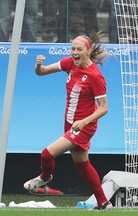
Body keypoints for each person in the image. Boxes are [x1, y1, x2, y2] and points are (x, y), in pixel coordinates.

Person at [23, 32, 112, 210]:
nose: (74, 52)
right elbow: (42, 73)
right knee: (82, 165)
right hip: (71, 123)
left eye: (79, 49)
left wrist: (85, 121)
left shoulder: (95, 75)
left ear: (88, 51)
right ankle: (104, 202)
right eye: (73, 48)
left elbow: (104, 107)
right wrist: (38, 65)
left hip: (83, 126)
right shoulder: (70, 63)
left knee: (47, 154)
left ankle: (45, 178)